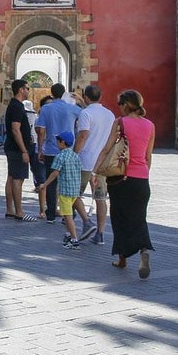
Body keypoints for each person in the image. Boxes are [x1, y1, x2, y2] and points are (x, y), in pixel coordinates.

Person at [97, 89, 155, 279]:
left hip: (120, 178)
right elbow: (148, 156)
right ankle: (144, 249)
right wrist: (145, 175)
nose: (119, 108)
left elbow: (107, 149)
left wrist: (96, 170)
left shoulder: (120, 123)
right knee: (139, 218)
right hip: (141, 180)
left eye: (120, 104)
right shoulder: (150, 126)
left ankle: (122, 259)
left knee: (120, 219)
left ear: (126, 104)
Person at [35, 83, 81, 223]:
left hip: (51, 149)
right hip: (68, 149)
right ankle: (69, 213)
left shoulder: (46, 108)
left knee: (51, 182)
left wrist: (40, 148)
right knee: (68, 181)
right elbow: (84, 115)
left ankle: (50, 213)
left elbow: (41, 130)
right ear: (64, 93)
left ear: (52, 93)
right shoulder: (72, 108)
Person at [75, 85, 115, 245]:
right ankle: (100, 233)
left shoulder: (85, 113)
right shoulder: (110, 114)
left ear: (86, 97)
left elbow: (83, 135)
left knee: (72, 193)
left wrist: (74, 153)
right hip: (102, 162)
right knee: (100, 197)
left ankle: (86, 221)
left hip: (86, 160)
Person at [38, 132, 84, 249]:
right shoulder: (75, 156)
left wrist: (45, 184)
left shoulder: (60, 156)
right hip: (74, 191)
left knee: (67, 216)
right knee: (68, 214)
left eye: (58, 140)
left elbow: (55, 173)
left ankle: (74, 240)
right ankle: (68, 235)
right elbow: (79, 172)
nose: (56, 143)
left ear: (62, 142)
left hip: (65, 191)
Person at [4, 79, 36, 221]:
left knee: (11, 177)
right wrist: (24, 150)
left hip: (12, 147)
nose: (29, 91)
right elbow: (16, 129)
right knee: (18, 179)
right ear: (21, 90)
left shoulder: (14, 105)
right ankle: (19, 211)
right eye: (27, 88)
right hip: (17, 149)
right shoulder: (17, 106)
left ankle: (10, 210)